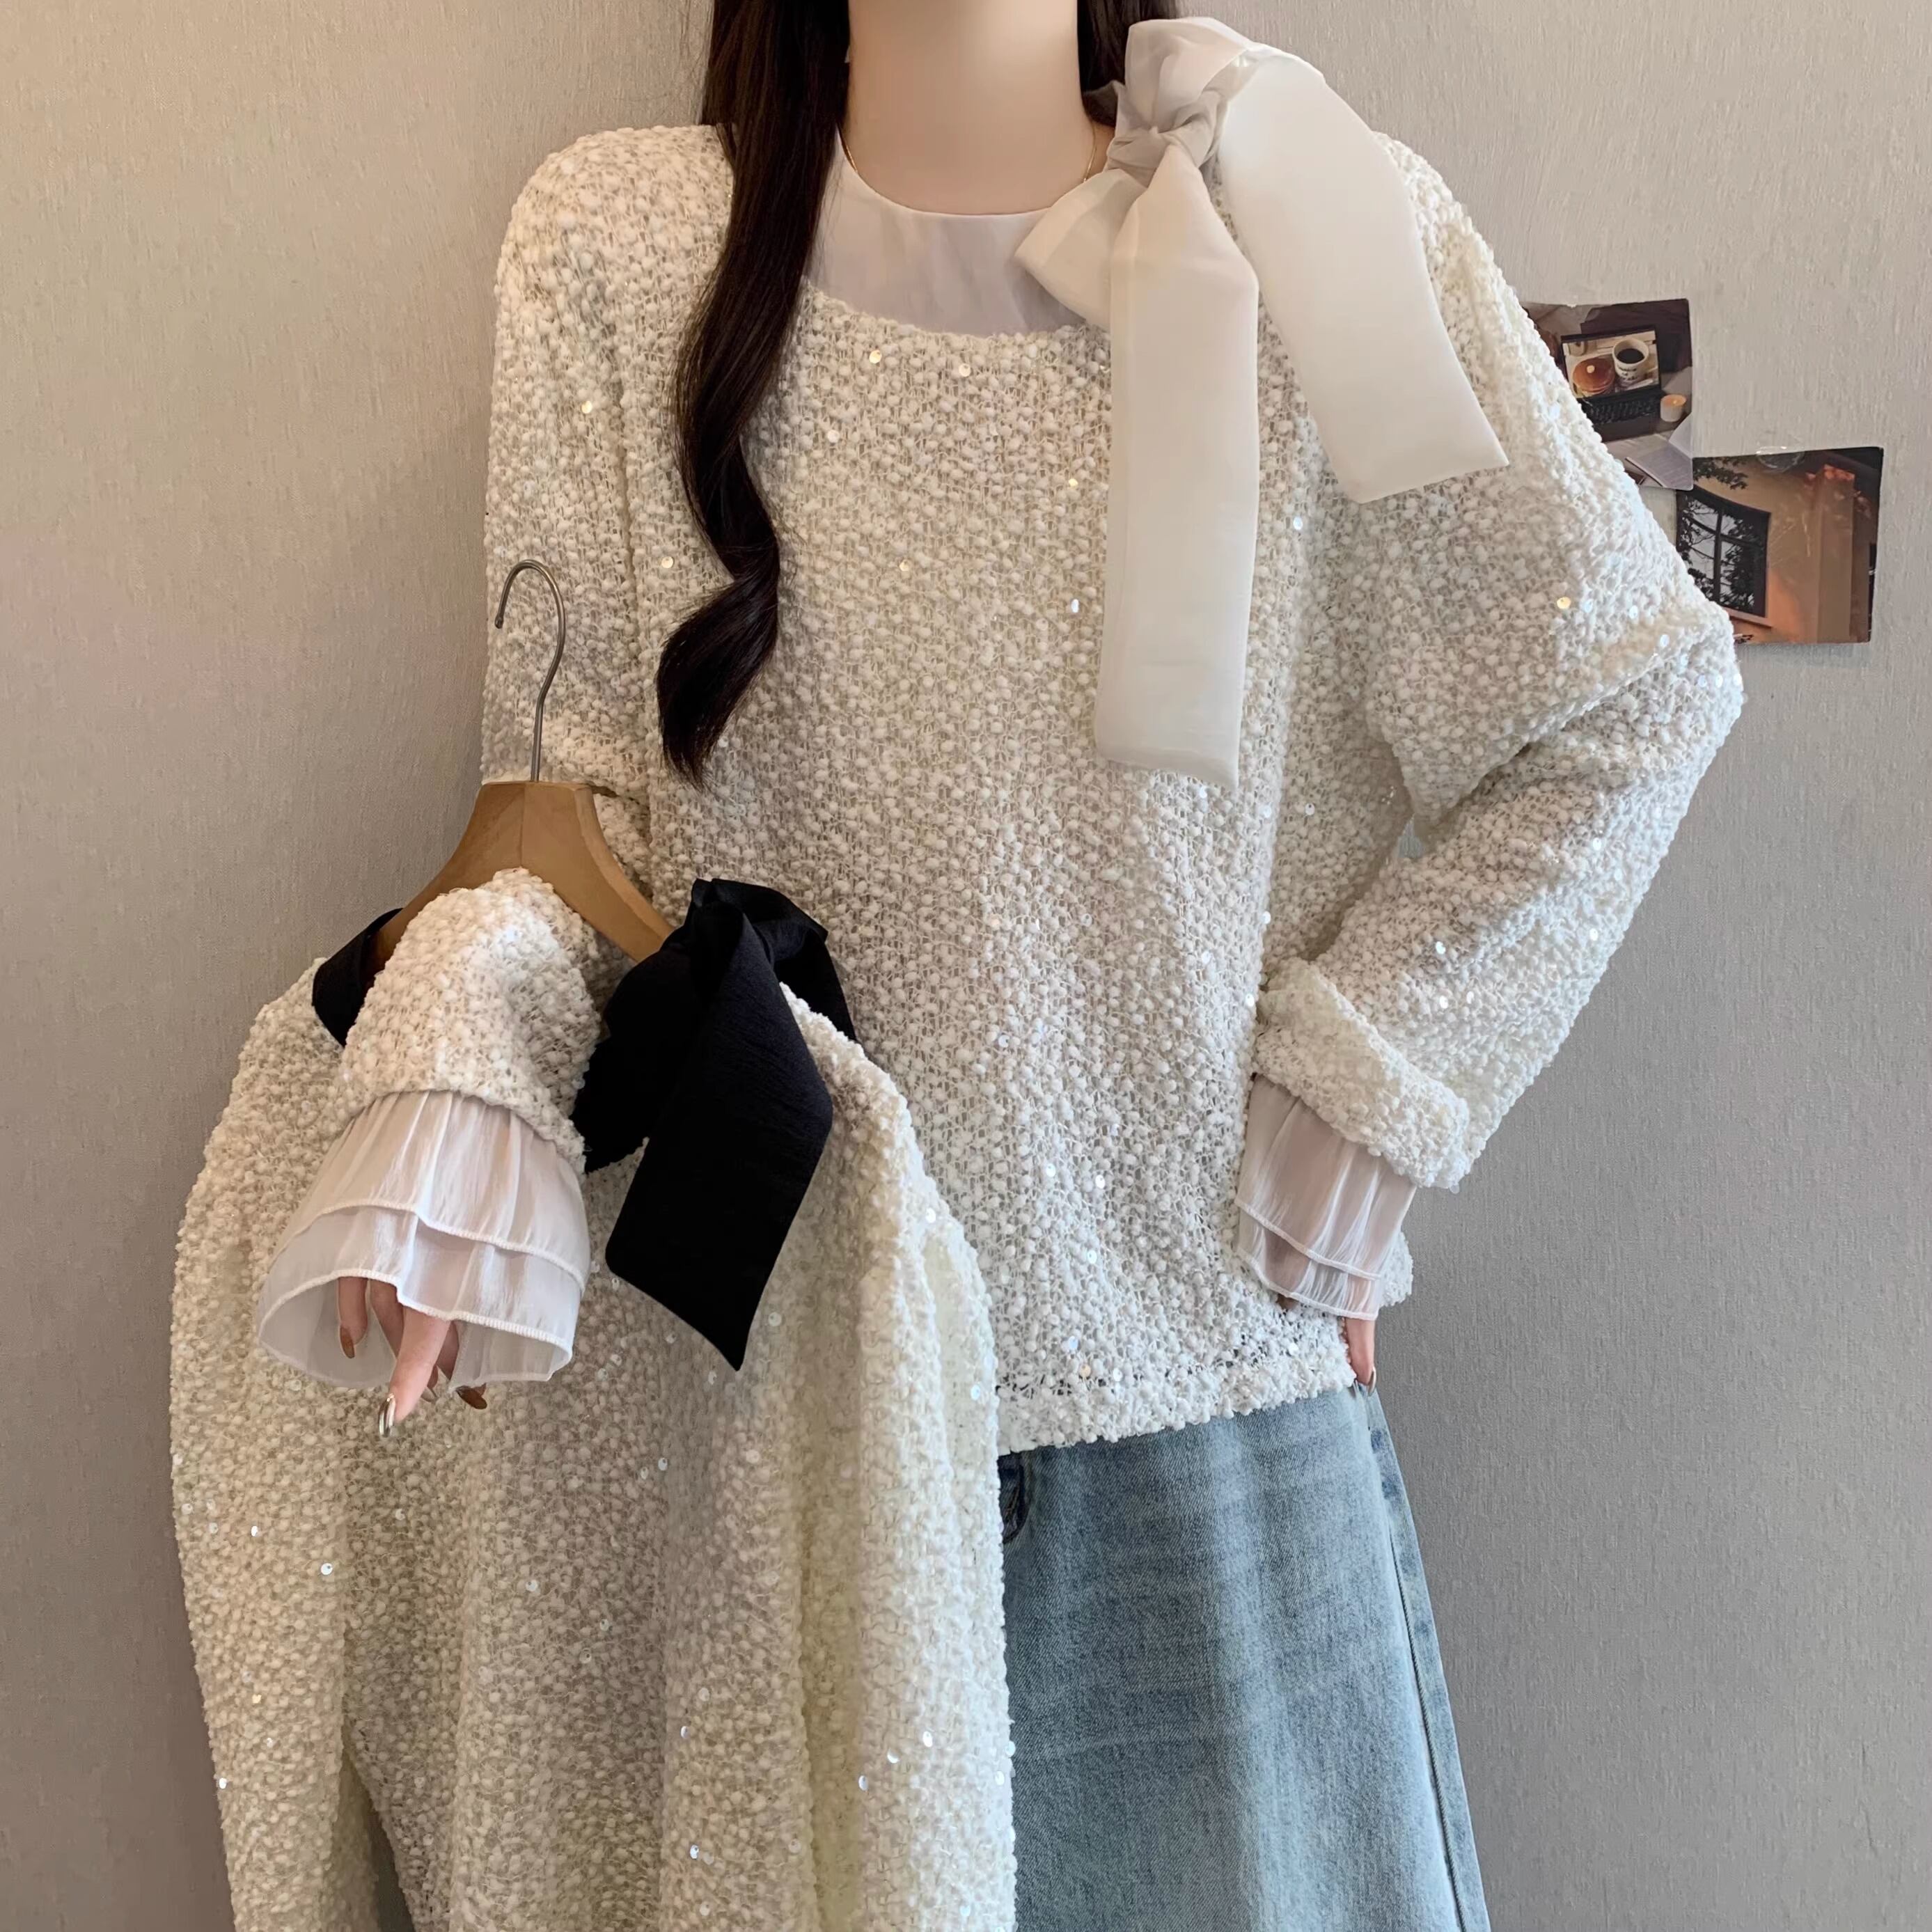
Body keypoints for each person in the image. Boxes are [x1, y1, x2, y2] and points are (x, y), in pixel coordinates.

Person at [326, 4, 1745, 1926]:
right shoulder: (623, 249)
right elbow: (561, 830)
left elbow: (1623, 694)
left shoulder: (1311, 220)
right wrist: (456, 1064)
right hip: (767, 1442)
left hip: (1198, 1441)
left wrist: (1366, 1102)